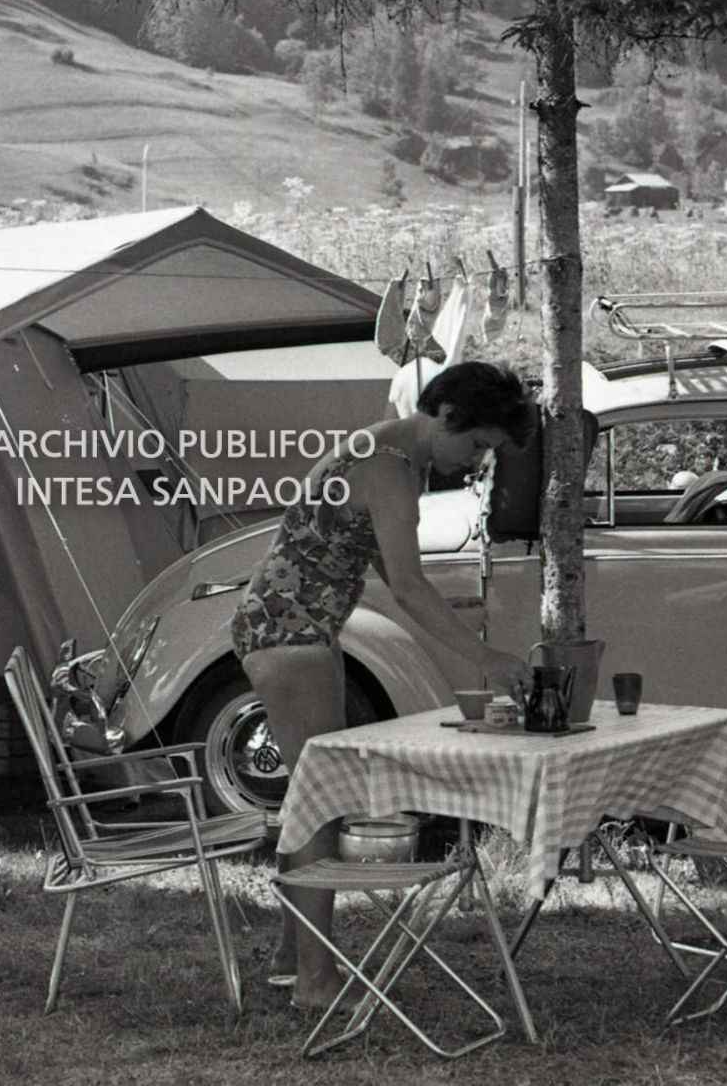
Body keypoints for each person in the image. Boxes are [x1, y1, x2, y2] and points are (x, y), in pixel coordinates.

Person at [230, 360, 537, 1010]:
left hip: (295, 626)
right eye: (478, 444)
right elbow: (405, 585)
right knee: (322, 802)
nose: (476, 461)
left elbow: (362, 555)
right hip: (291, 632)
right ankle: (315, 983)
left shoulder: (380, 446)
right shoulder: (391, 469)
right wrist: (486, 657)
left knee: (309, 799)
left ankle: (292, 959)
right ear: (448, 416)